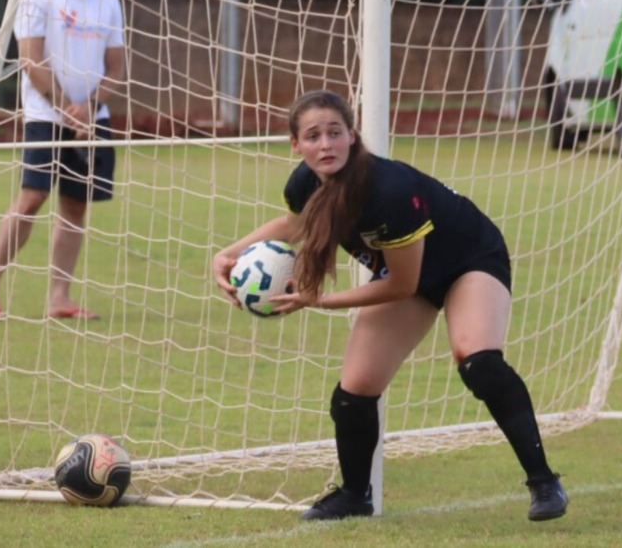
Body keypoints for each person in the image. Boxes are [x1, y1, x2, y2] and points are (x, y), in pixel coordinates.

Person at [211, 90, 568, 524]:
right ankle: (354, 496)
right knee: (355, 389)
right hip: (409, 278)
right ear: (296, 144)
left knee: (477, 359)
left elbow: (403, 283)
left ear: (352, 135)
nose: (325, 144)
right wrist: (228, 253)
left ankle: (544, 482)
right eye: (313, 136)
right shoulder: (305, 183)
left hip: (469, 261)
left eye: (335, 133)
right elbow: (295, 223)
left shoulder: (390, 192)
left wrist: (320, 299)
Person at [0, 0, 125, 321]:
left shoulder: (109, 3)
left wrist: (90, 109)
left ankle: (60, 297)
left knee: (76, 206)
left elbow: (116, 67)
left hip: (93, 120)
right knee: (31, 199)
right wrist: (65, 107)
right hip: (46, 117)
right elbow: (30, 58)